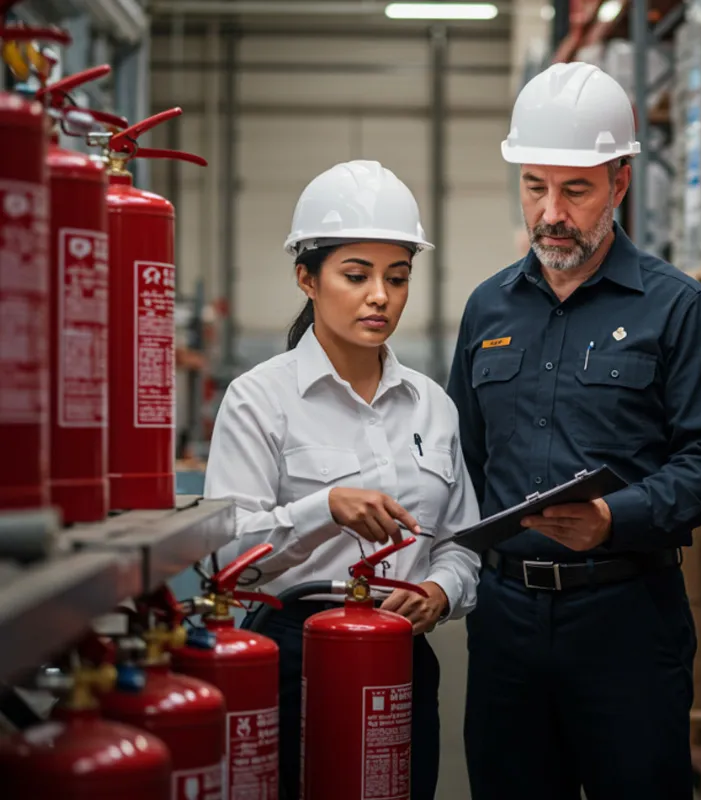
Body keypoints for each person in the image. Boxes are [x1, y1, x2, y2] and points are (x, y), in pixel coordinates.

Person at [446, 62, 701, 800]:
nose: (551, 212)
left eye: (575, 190)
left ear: (619, 182)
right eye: (534, 186)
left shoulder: (677, 308)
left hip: (628, 623)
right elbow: (463, 461)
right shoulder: (487, 310)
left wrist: (614, 517)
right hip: (506, 624)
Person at [203, 159, 481, 800]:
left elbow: (462, 543)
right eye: (356, 276)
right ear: (307, 277)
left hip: (401, 656)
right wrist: (322, 508)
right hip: (293, 654)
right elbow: (225, 556)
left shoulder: (433, 406)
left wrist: (438, 592)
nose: (379, 295)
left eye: (397, 277)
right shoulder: (260, 400)